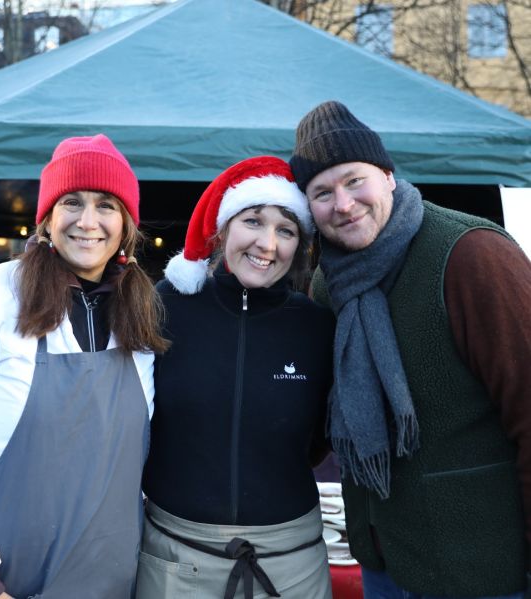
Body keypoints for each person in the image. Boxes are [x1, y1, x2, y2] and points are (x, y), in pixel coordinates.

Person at [289, 100, 531, 599]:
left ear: (389, 177)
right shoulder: (327, 285)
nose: (343, 203)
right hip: (385, 564)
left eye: (354, 180)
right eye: (322, 192)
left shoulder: (471, 254)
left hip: (485, 571)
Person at [0, 134, 168, 598]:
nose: (88, 221)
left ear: (126, 224)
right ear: (46, 219)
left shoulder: (141, 316)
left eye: (106, 205)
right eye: (72, 202)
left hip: (110, 585)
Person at [138, 156, 334, 599]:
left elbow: (322, 434)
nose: (267, 244)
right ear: (224, 228)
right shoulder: (166, 306)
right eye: (253, 221)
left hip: (292, 563)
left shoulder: (317, 325)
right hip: (176, 557)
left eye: (286, 230)